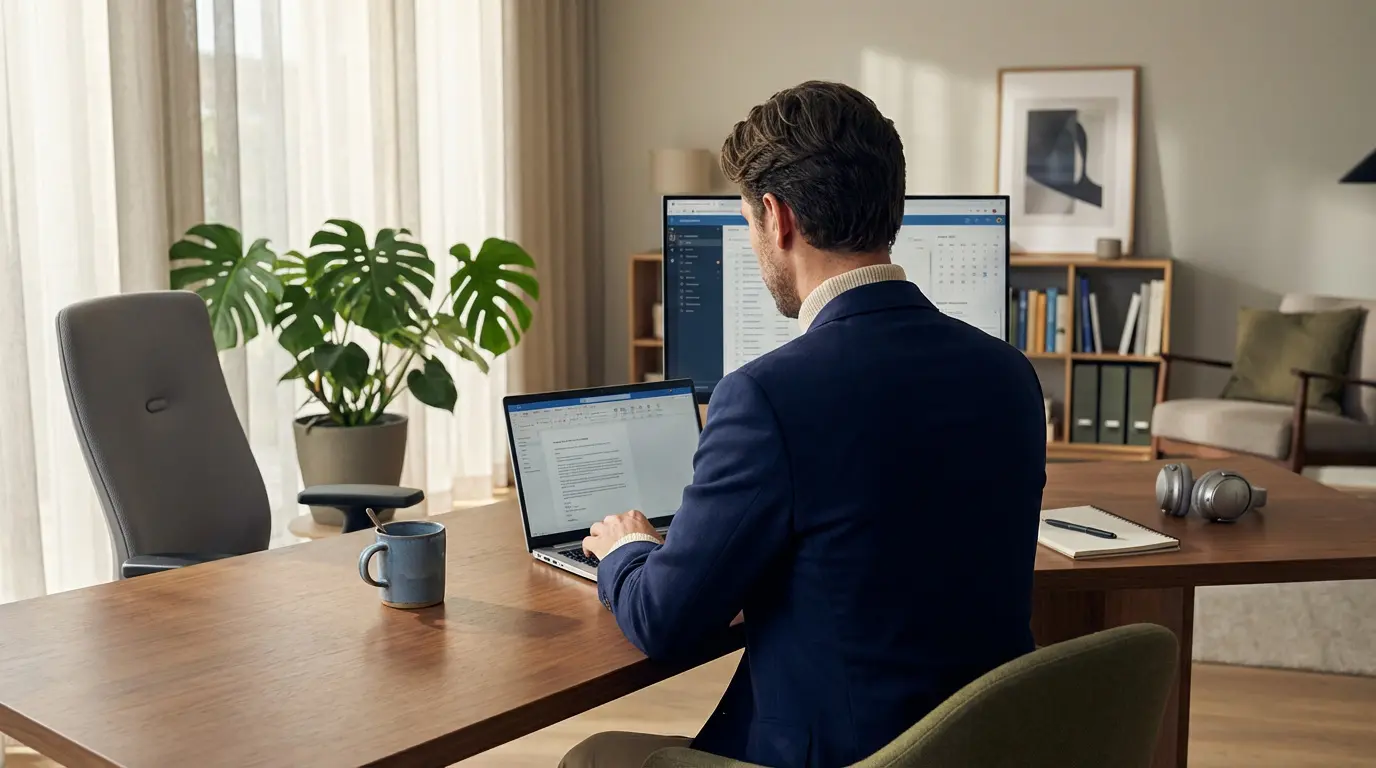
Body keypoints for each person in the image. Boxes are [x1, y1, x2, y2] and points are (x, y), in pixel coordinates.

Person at [563, 81, 1046, 768]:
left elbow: (665, 620)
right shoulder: (1009, 375)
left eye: (748, 224)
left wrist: (626, 551)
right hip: (977, 747)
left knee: (591, 761)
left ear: (776, 217)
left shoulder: (766, 397)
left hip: (836, 757)